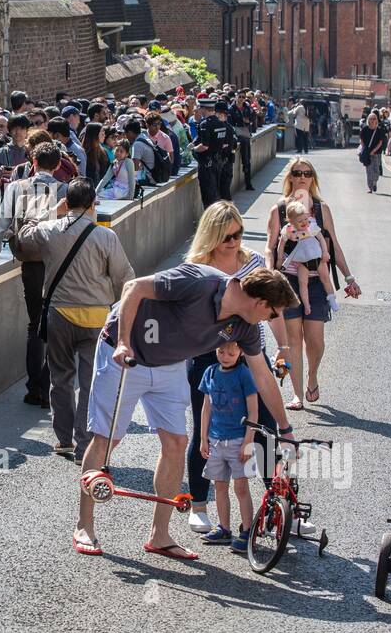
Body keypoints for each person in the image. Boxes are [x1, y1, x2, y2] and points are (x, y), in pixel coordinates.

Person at [74, 264, 298, 559]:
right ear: (261, 303)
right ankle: (84, 526)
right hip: (124, 354)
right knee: (106, 439)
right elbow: (134, 287)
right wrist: (124, 340)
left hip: (168, 365)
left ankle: (160, 535)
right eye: (273, 313)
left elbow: (263, 376)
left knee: (176, 443)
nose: (273, 319)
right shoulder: (201, 282)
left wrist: (285, 428)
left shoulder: (245, 326)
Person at [181, 201, 293, 535]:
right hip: (206, 356)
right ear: (211, 234)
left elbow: (273, 308)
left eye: (239, 233)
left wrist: (284, 348)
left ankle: (282, 502)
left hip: (249, 351)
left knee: (267, 426)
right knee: (208, 427)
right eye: (227, 235)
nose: (233, 241)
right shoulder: (196, 266)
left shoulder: (254, 262)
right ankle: (199, 505)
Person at [14, 179, 134, 459]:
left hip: (58, 314)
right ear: (93, 204)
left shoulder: (50, 230)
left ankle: (64, 438)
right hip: (95, 317)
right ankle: (84, 446)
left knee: (61, 378)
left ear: (65, 203)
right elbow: (125, 277)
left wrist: (48, 213)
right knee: (91, 382)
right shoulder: (106, 237)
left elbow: (23, 237)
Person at [265, 159, 362, 408]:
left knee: (315, 340)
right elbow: (270, 246)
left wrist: (349, 277)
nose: (302, 177)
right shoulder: (279, 209)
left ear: (313, 178)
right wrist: (269, 275)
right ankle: (297, 394)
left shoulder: (321, 208)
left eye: (307, 173)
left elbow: (333, 244)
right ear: (290, 177)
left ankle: (312, 375)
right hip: (288, 281)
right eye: (297, 173)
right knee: (294, 338)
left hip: (317, 280)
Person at [0, 142, 68, 406]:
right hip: (59, 263)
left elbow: (0, 225)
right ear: (57, 165)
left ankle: (34, 387)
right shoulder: (65, 189)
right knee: (55, 325)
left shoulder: (18, 188)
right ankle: (46, 383)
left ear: (33, 161)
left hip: (30, 261)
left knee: (35, 325)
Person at [197, 341, 259, 552]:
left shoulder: (244, 374)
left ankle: (248, 531)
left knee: (241, 487)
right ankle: (224, 528)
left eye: (231, 353)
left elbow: (253, 411)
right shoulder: (210, 372)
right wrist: (203, 438)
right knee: (220, 485)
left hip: (238, 440)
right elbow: (206, 408)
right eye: (221, 351)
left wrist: (248, 440)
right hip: (215, 439)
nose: (225, 356)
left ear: (240, 352)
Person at [277, 199, 338, 316]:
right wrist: (280, 260)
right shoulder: (288, 230)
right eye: (300, 221)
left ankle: (331, 299)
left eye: (305, 218)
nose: (304, 222)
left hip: (317, 256)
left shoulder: (311, 225)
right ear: (290, 221)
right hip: (301, 261)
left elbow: (321, 238)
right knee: (303, 283)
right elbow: (281, 244)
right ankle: (306, 305)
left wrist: (325, 252)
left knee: (325, 278)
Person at [358, 110, 387, 194]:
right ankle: (370, 187)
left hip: (376, 153)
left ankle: (375, 182)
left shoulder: (379, 130)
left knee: (376, 170)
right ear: (368, 120)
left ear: (377, 120)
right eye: (371, 119)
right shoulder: (365, 129)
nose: (373, 120)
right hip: (367, 153)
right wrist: (364, 148)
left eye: (374, 119)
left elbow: (380, 142)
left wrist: (374, 151)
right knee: (369, 171)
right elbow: (361, 139)